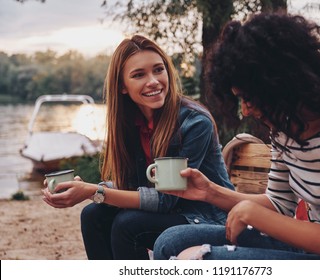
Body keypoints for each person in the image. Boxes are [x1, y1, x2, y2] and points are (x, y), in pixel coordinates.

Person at [153, 13, 320, 260]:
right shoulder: (286, 129)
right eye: (240, 100)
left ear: (282, 84)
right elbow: (279, 204)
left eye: (249, 98)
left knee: (202, 261)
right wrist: (210, 192)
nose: (244, 110)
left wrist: (252, 214)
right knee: (171, 241)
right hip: (317, 243)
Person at [42, 35, 234, 260]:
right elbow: (133, 186)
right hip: (173, 213)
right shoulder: (131, 123)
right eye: (139, 75)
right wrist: (85, 188)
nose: (153, 81)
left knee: (129, 225)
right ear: (123, 86)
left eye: (158, 70)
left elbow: (165, 200)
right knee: (93, 214)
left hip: (208, 219)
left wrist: (95, 191)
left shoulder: (194, 122)